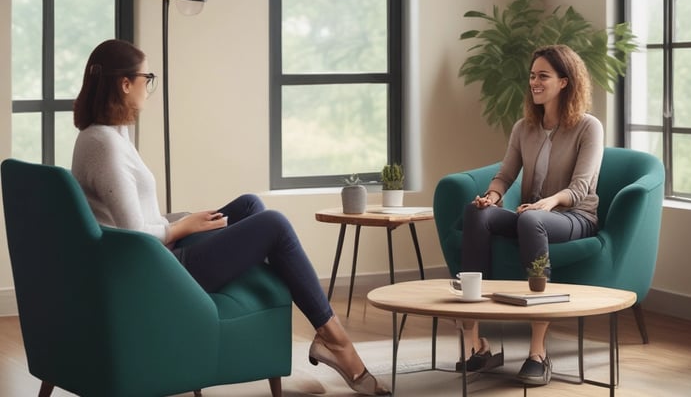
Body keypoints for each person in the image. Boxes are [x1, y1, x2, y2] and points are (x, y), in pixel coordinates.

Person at [70, 39, 388, 396]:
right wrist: (184, 226)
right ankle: (335, 340)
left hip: (157, 257)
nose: (149, 86)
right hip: (154, 275)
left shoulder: (112, 135)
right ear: (125, 84)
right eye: (147, 78)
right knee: (274, 225)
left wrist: (182, 221)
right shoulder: (104, 146)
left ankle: (290, 323)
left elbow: (135, 218)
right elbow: (135, 235)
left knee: (250, 206)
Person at [459, 44, 603, 386]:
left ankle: (538, 352)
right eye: (532, 76)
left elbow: (581, 187)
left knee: (531, 219)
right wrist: (491, 197)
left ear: (564, 82)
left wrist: (547, 203)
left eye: (543, 76)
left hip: (574, 216)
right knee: (477, 214)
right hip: (531, 214)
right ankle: (477, 342)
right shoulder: (524, 127)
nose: (534, 82)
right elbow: (505, 175)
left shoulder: (588, 127)